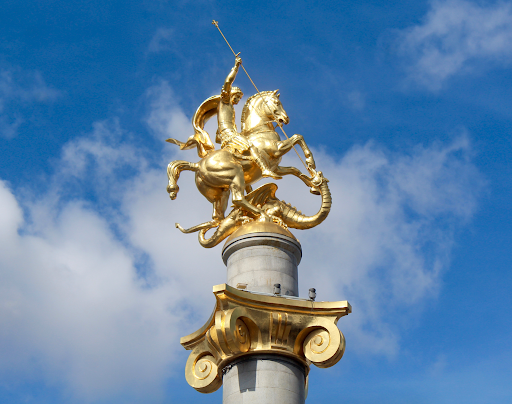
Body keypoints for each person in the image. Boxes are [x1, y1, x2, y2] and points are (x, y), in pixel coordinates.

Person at [217, 55, 282, 179]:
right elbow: (228, 82)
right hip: (229, 134)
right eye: (236, 97)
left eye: (239, 98)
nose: (237, 100)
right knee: (250, 145)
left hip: (232, 133)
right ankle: (264, 169)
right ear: (230, 94)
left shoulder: (230, 107)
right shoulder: (225, 101)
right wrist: (236, 67)